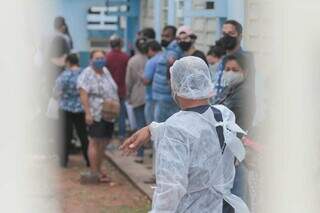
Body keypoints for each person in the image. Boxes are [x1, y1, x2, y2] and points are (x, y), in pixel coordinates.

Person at [120, 56, 249, 213]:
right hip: (225, 207)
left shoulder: (174, 130)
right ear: (206, 81)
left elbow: (171, 189)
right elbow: (199, 127)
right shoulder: (224, 115)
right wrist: (151, 129)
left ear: (175, 86)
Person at [213, 20, 256, 211]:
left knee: (235, 194)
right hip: (224, 145)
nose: (225, 36)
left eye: (230, 33)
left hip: (235, 145)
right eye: (223, 32)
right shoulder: (223, 63)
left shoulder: (247, 63)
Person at [77, 50, 118, 183]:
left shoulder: (106, 71)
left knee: (104, 142)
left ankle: (99, 169)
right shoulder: (87, 73)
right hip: (96, 113)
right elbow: (83, 93)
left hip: (109, 114)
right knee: (95, 141)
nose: (100, 60)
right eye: (97, 58)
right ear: (91, 60)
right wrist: (88, 113)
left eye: (102, 57)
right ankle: (94, 171)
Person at [53, 54, 90, 168]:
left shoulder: (64, 75)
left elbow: (56, 93)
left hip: (65, 109)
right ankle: (89, 160)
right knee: (83, 135)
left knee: (65, 135)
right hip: (81, 108)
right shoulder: (84, 74)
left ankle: (63, 162)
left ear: (68, 62)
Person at [152, 25, 183, 123]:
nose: (164, 38)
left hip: (166, 97)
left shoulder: (173, 50)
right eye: (162, 36)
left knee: (160, 126)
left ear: (174, 37)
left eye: (167, 36)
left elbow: (171, 63)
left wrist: (170, 83)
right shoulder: (168, 49)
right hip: (162, 95)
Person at [126, 37, 148, 163]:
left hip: (137, 95)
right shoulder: (151, 59)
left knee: (139, 126)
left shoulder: (132, 61)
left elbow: (129, 81)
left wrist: (128, 95)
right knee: (150, 125)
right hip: (150, 96)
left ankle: (140, 154)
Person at [105, 35, 130, 141]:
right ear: (121, 44)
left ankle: (108, 135)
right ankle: (122, 135)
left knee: (108, 112)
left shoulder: (106, 57)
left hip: (109, 90)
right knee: (121, 114)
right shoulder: (126, 57)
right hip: (121, 89)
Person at [143, 40, 162, 124]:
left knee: (151, 126)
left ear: (150, 49)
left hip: (152, 97)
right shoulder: (165, 58)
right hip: (166, 98)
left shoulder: (151, 62)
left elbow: (146, 80)